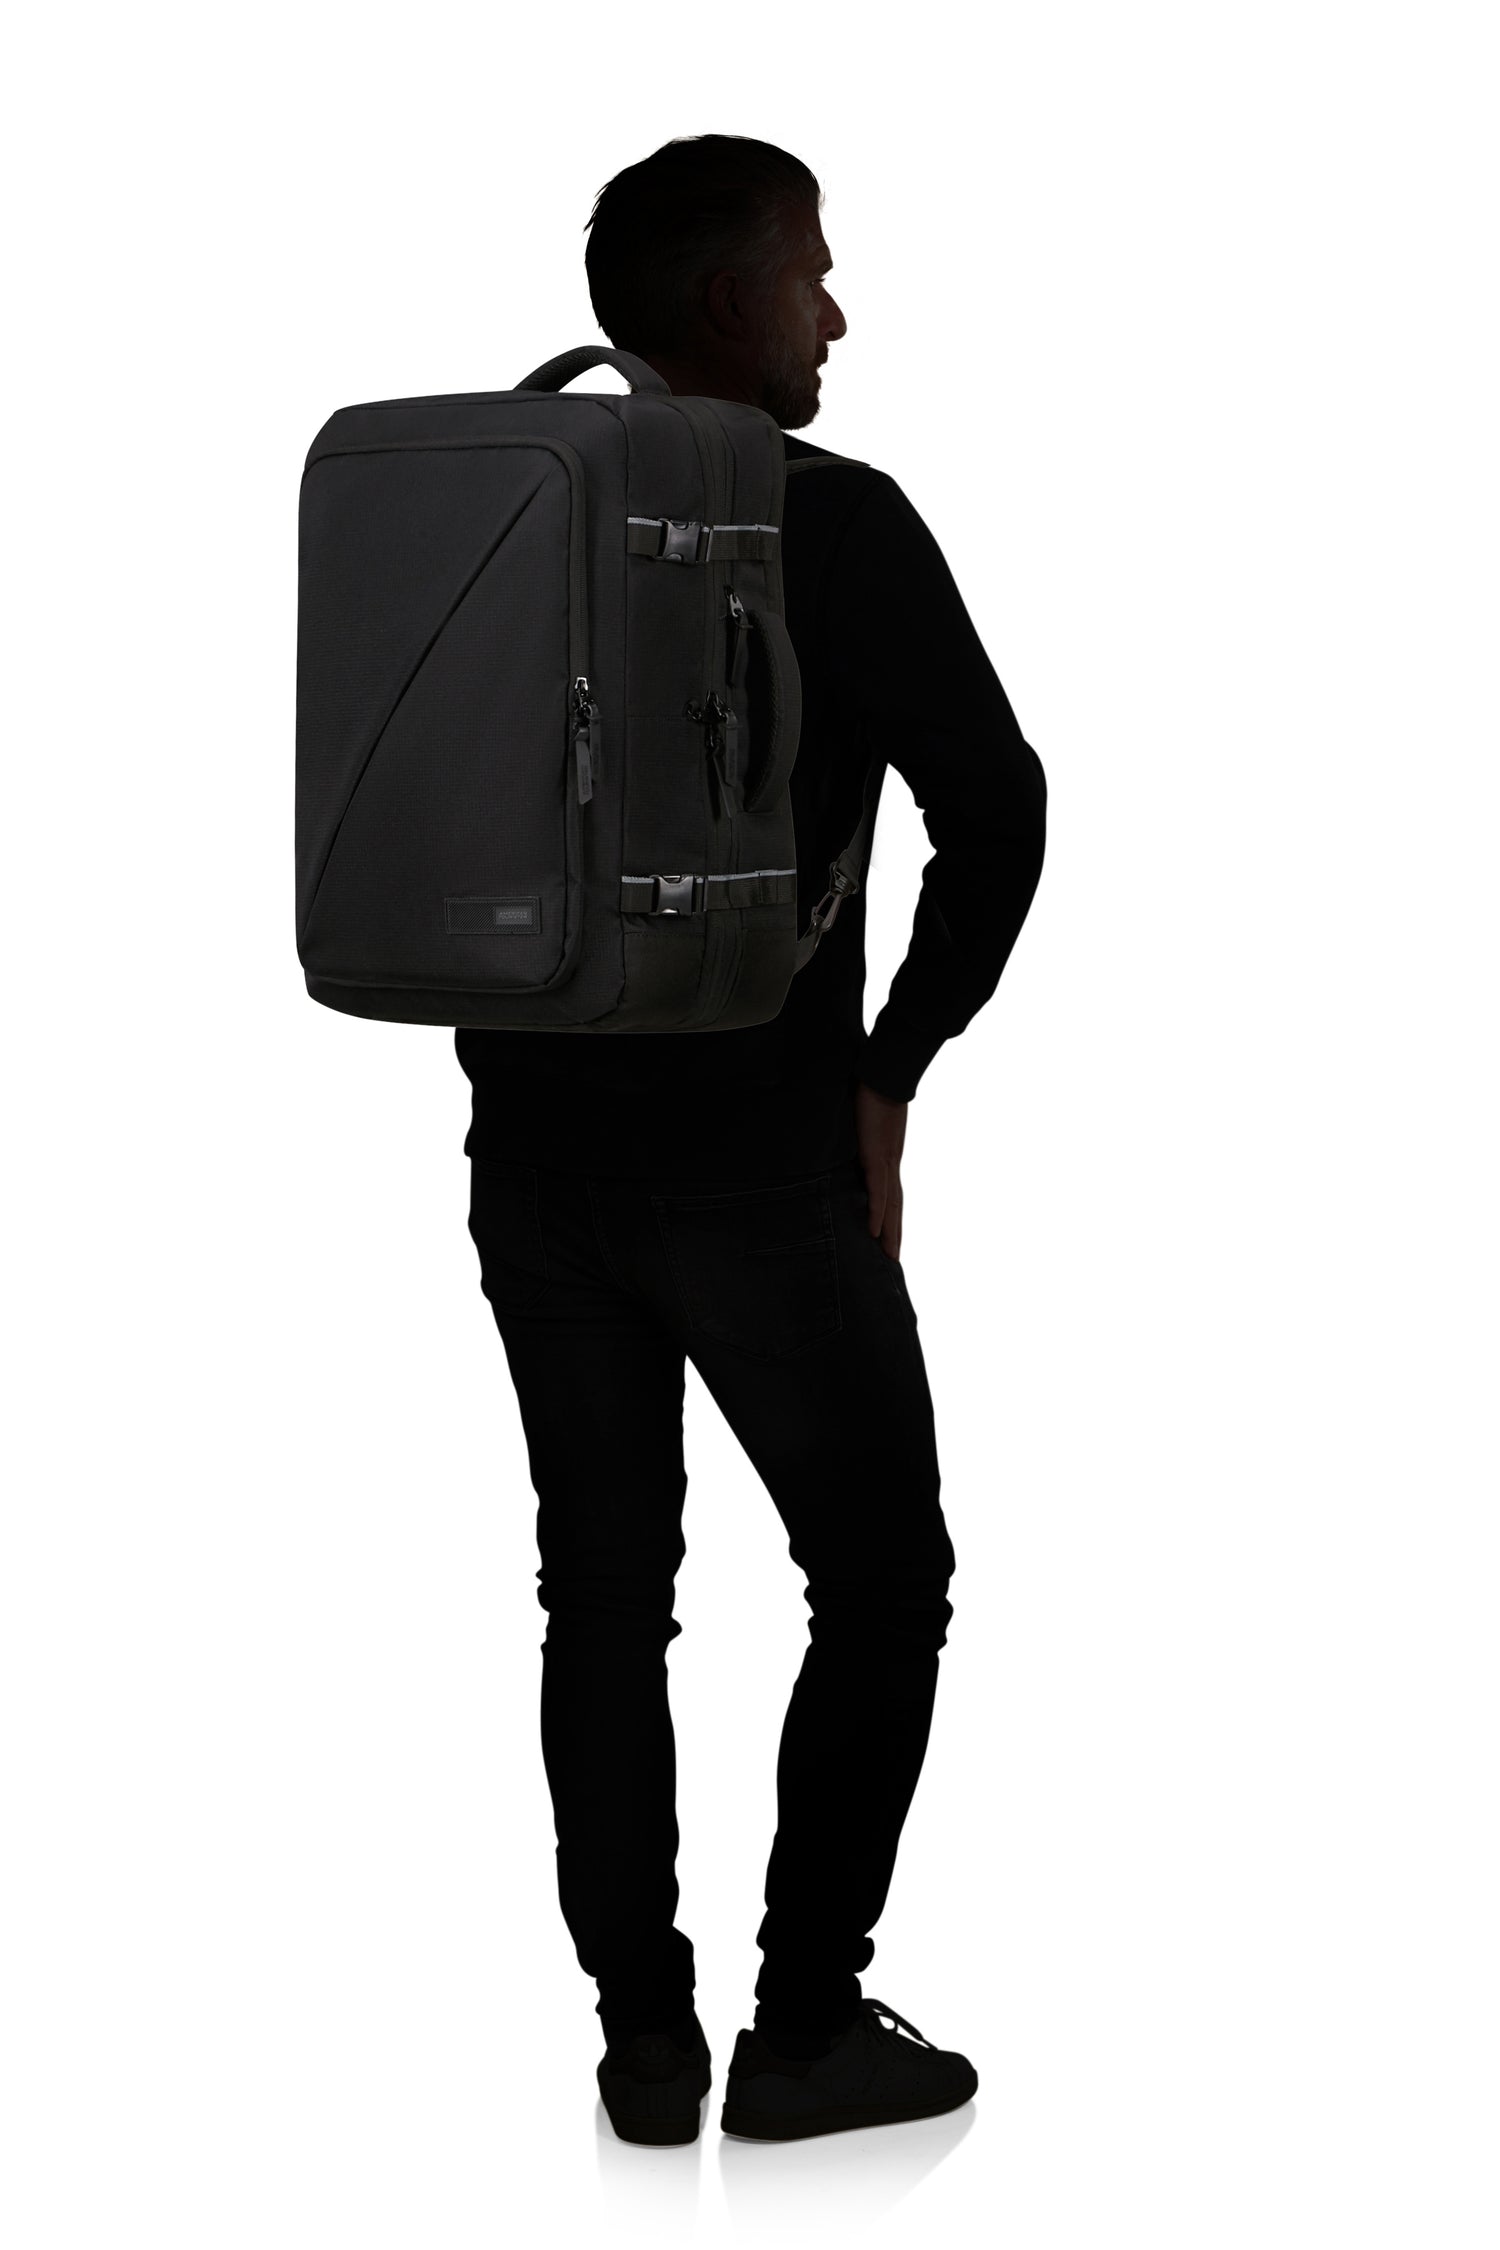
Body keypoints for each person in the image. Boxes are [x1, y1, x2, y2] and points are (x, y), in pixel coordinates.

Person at [459, 134, 1047, 2146]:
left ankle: (644, 2040)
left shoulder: (504, 510)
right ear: (731, 305)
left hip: (530, 1157)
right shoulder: (834, 518)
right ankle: (803, 2032)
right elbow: (999, 811)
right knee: (882, 1580)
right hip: (762, 1166)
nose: (836, 312)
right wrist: (892, 1069)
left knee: (603, 1597)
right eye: (812, 272)